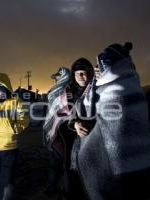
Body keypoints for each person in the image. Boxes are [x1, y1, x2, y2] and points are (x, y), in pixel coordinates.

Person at [74, 42, 150, 200]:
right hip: (137, 166)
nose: (96, 69)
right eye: (95, 66)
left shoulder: (114, 91)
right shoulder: (130, 87)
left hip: (115, 170)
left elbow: (97, 115)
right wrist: (75, 122)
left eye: (100, 65)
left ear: (112, 66)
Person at [43, 58, 94, 198]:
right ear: (73, 75)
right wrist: (75, 123)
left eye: (85, 73)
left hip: (87, 134)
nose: (83, 77)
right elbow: (60, 114)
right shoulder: (68, 91)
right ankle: (57, 189)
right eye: (79, 74)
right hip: (62, 134)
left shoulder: (94, 88)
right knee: (64, 164)